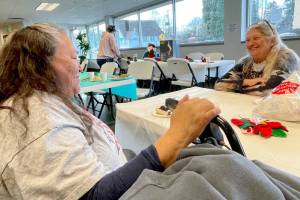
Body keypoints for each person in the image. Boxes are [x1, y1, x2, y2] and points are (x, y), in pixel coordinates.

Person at [0, 23, 220, 199]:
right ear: (41, 63)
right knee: (220, 168)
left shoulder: (39, 103)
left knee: (208, 161)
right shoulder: (36, 120)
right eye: (74, 57)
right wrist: (176, 136)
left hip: (115, 171)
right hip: (121, 190)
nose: (79, 66)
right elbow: (92, 195)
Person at [215, 20, 300, 96]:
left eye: (256, 38)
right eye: (248, 40)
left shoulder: (286, 57)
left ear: (272, 41)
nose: (251, 44)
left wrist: (237, 86)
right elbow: (219, 84)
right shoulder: (245, 62)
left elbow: (270, 90)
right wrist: (246, 82)